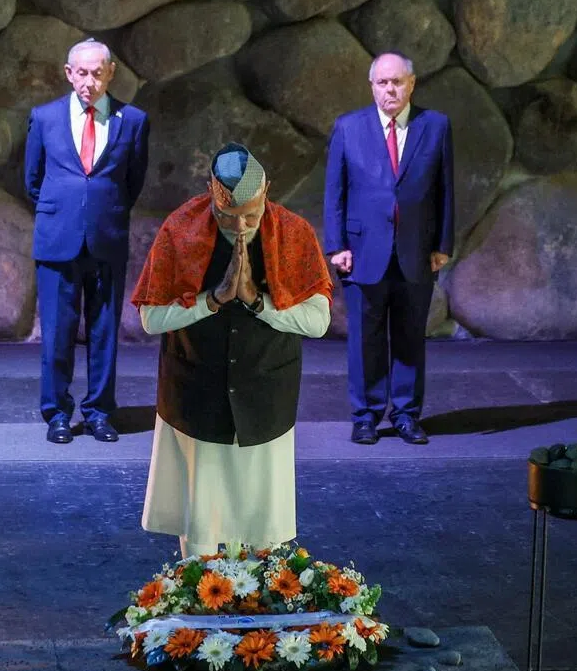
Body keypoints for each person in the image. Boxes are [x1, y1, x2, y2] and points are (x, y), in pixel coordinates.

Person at [131, 143, 333, 558]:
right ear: (210, 192)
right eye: (227, 216)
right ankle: (196, 593)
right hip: (196, 393)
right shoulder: (180, 230)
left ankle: (262, 596)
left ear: (267, 191)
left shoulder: (294, 234)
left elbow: (318, 322)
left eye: (251, 216)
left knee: (263, 521)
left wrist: (258, 301)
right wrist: (213, 300)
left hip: (266, 394)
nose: (240, 226)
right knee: (200, 518)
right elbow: (151, 318)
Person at [323, 52, 454, 447]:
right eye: (382, 83)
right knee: (365, 339)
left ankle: (406, 415)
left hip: (417, 250)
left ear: (411, 84)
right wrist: (336, 246)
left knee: (411, 337)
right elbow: (334, 191)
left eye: (397, 82)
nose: (390, 89)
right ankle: (365, 416)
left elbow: (445, 189)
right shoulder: (348, 127)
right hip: (362, 252)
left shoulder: (436, 126)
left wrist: (443, 245)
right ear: (372, 87)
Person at [24, 38, 149, 445]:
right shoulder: (44, 118)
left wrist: (101, 211)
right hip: (58, 239)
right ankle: (57, 414)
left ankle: (99, 412)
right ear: (68, 73)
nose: (89, 82)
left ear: (111, 73)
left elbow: (133, 182)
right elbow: (32, 180)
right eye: (81, 73)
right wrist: (67, 211)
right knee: (57, 333)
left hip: (106, 238)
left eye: (97, 73)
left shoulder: (133, 121)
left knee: (104, 331)